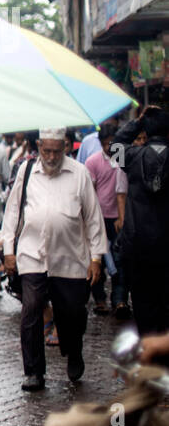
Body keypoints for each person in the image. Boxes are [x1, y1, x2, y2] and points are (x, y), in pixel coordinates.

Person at [1, 127, 105, 390]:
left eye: (56, 151)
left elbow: (93, 218)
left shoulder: (79, 173)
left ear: (66, 147)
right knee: (32, 309)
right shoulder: (26, 172)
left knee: (71, 312)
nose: (50, 156)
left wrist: (96, 258)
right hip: (32, 253)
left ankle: (74, 349)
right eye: (46, 150)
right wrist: (9, 251)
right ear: (39, 146)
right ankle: (34, 372)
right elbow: (12, 213)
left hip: (70, 256)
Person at [111, 106, 169, 336]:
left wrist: (138, 121)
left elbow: (115, 144)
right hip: (166, 245)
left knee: (143, 303)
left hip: (138, 244)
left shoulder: (133, 157)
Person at [83, 119, 128, 317]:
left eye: (113, 142)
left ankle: (119, 300)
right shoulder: (92, 162)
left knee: (119, 261)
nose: (110, 147)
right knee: (97, 259)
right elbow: (89, 192)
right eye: (106, 143)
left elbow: (124, 188)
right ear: (100, 142)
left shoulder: (122, 157)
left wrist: (122, 215)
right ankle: (100, 299)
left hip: (118, 217)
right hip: (98, 218)